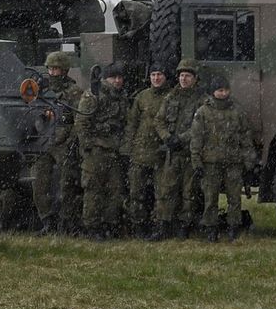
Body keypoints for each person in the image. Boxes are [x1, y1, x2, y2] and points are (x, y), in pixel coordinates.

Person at [190, 84, 259, 242]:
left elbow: (246, 138)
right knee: (210, 197)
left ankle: (233, 227)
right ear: (213, 92)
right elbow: (196, 138)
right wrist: (196, 162)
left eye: (225, 90)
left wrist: (249, 163)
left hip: (233, 162)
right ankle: (211, 229)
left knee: (234, 197)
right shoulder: (203, 112)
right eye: (219, 90)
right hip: (210, 162)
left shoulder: (237, 112)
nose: (223, 93)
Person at [153, 58, 208, 239]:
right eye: (182, 76)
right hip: (172, 153)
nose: (184, 79)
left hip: (190, 153)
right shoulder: (171, 97)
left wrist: (181, 139)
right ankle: (163, 226)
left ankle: (184, 227)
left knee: (189, 192)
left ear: (195, 78)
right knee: (166, 190)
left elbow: (200, 126)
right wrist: (167, 138)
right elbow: (159, 120)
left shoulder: (202, 100)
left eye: (188, 76)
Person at [30, 51, 84, 234]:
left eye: (56, 69)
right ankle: (47, 221)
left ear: (64, 70)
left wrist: (71, 141)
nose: (52, 73)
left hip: (64, 143)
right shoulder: (42, 90)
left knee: (66, 185)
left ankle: (67, 222)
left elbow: (79, 120)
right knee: (39, 182)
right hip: (44, 141)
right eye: (50, 69)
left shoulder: (74, 92)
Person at [76, 62, 129, 239]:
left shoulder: (121, 97)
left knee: (115, 190)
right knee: (93, 190)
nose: (117, 81)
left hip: (113, 150)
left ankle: (109, 224)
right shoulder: (94, 95)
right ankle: (92, 227)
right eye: (114, 77)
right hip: (96, 150)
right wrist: (88, 147)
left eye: (120, 77)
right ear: (106, 79)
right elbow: (82, 123)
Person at [122, 64, 171, 237]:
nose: (156, 78)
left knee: (162, 193)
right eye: (153, 75)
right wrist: (127, 148)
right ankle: (139, 225)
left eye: (159, 74)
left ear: (165, 77)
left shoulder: (171, 97)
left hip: (162, 152)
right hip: (140, 151)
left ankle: (159, 226)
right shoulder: (142, 96)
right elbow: (132, 123)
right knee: (136, 191)